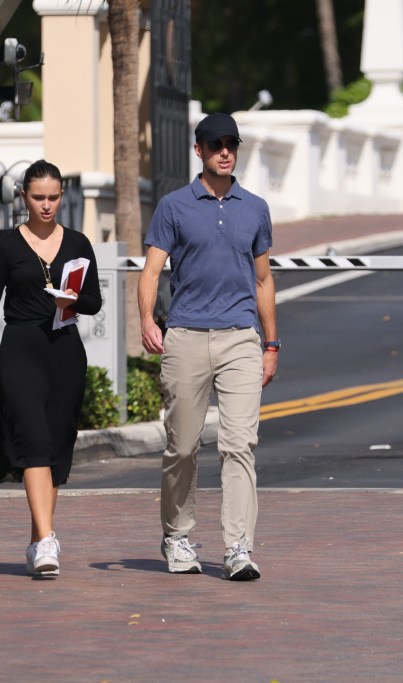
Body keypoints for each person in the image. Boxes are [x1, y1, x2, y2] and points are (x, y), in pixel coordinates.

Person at [138, 112, 278, 581]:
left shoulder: (255, 207)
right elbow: (152, 271)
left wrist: (271, 343)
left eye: (231, 144)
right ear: (198, 150)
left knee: (240, 446)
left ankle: (238, 546)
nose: (224, 151)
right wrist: (146, 320)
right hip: (187, 335)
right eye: (215, 144)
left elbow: (262, 279)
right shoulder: (174, 206)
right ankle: (176, 536)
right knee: (183, 447)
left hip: (241, 337)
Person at [0, 159, 102, 577]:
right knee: (34, 442)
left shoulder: (79, 243)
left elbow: (94, 301)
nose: (46, 205)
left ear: (63, 196)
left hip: (65, 351)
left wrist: (72, 302)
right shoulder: (8, 247)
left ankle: (37, 541)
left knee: (57, 446)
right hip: (20, 350)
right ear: (24, 196)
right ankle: (47, 541)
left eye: (54, 197)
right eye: (38, 197)